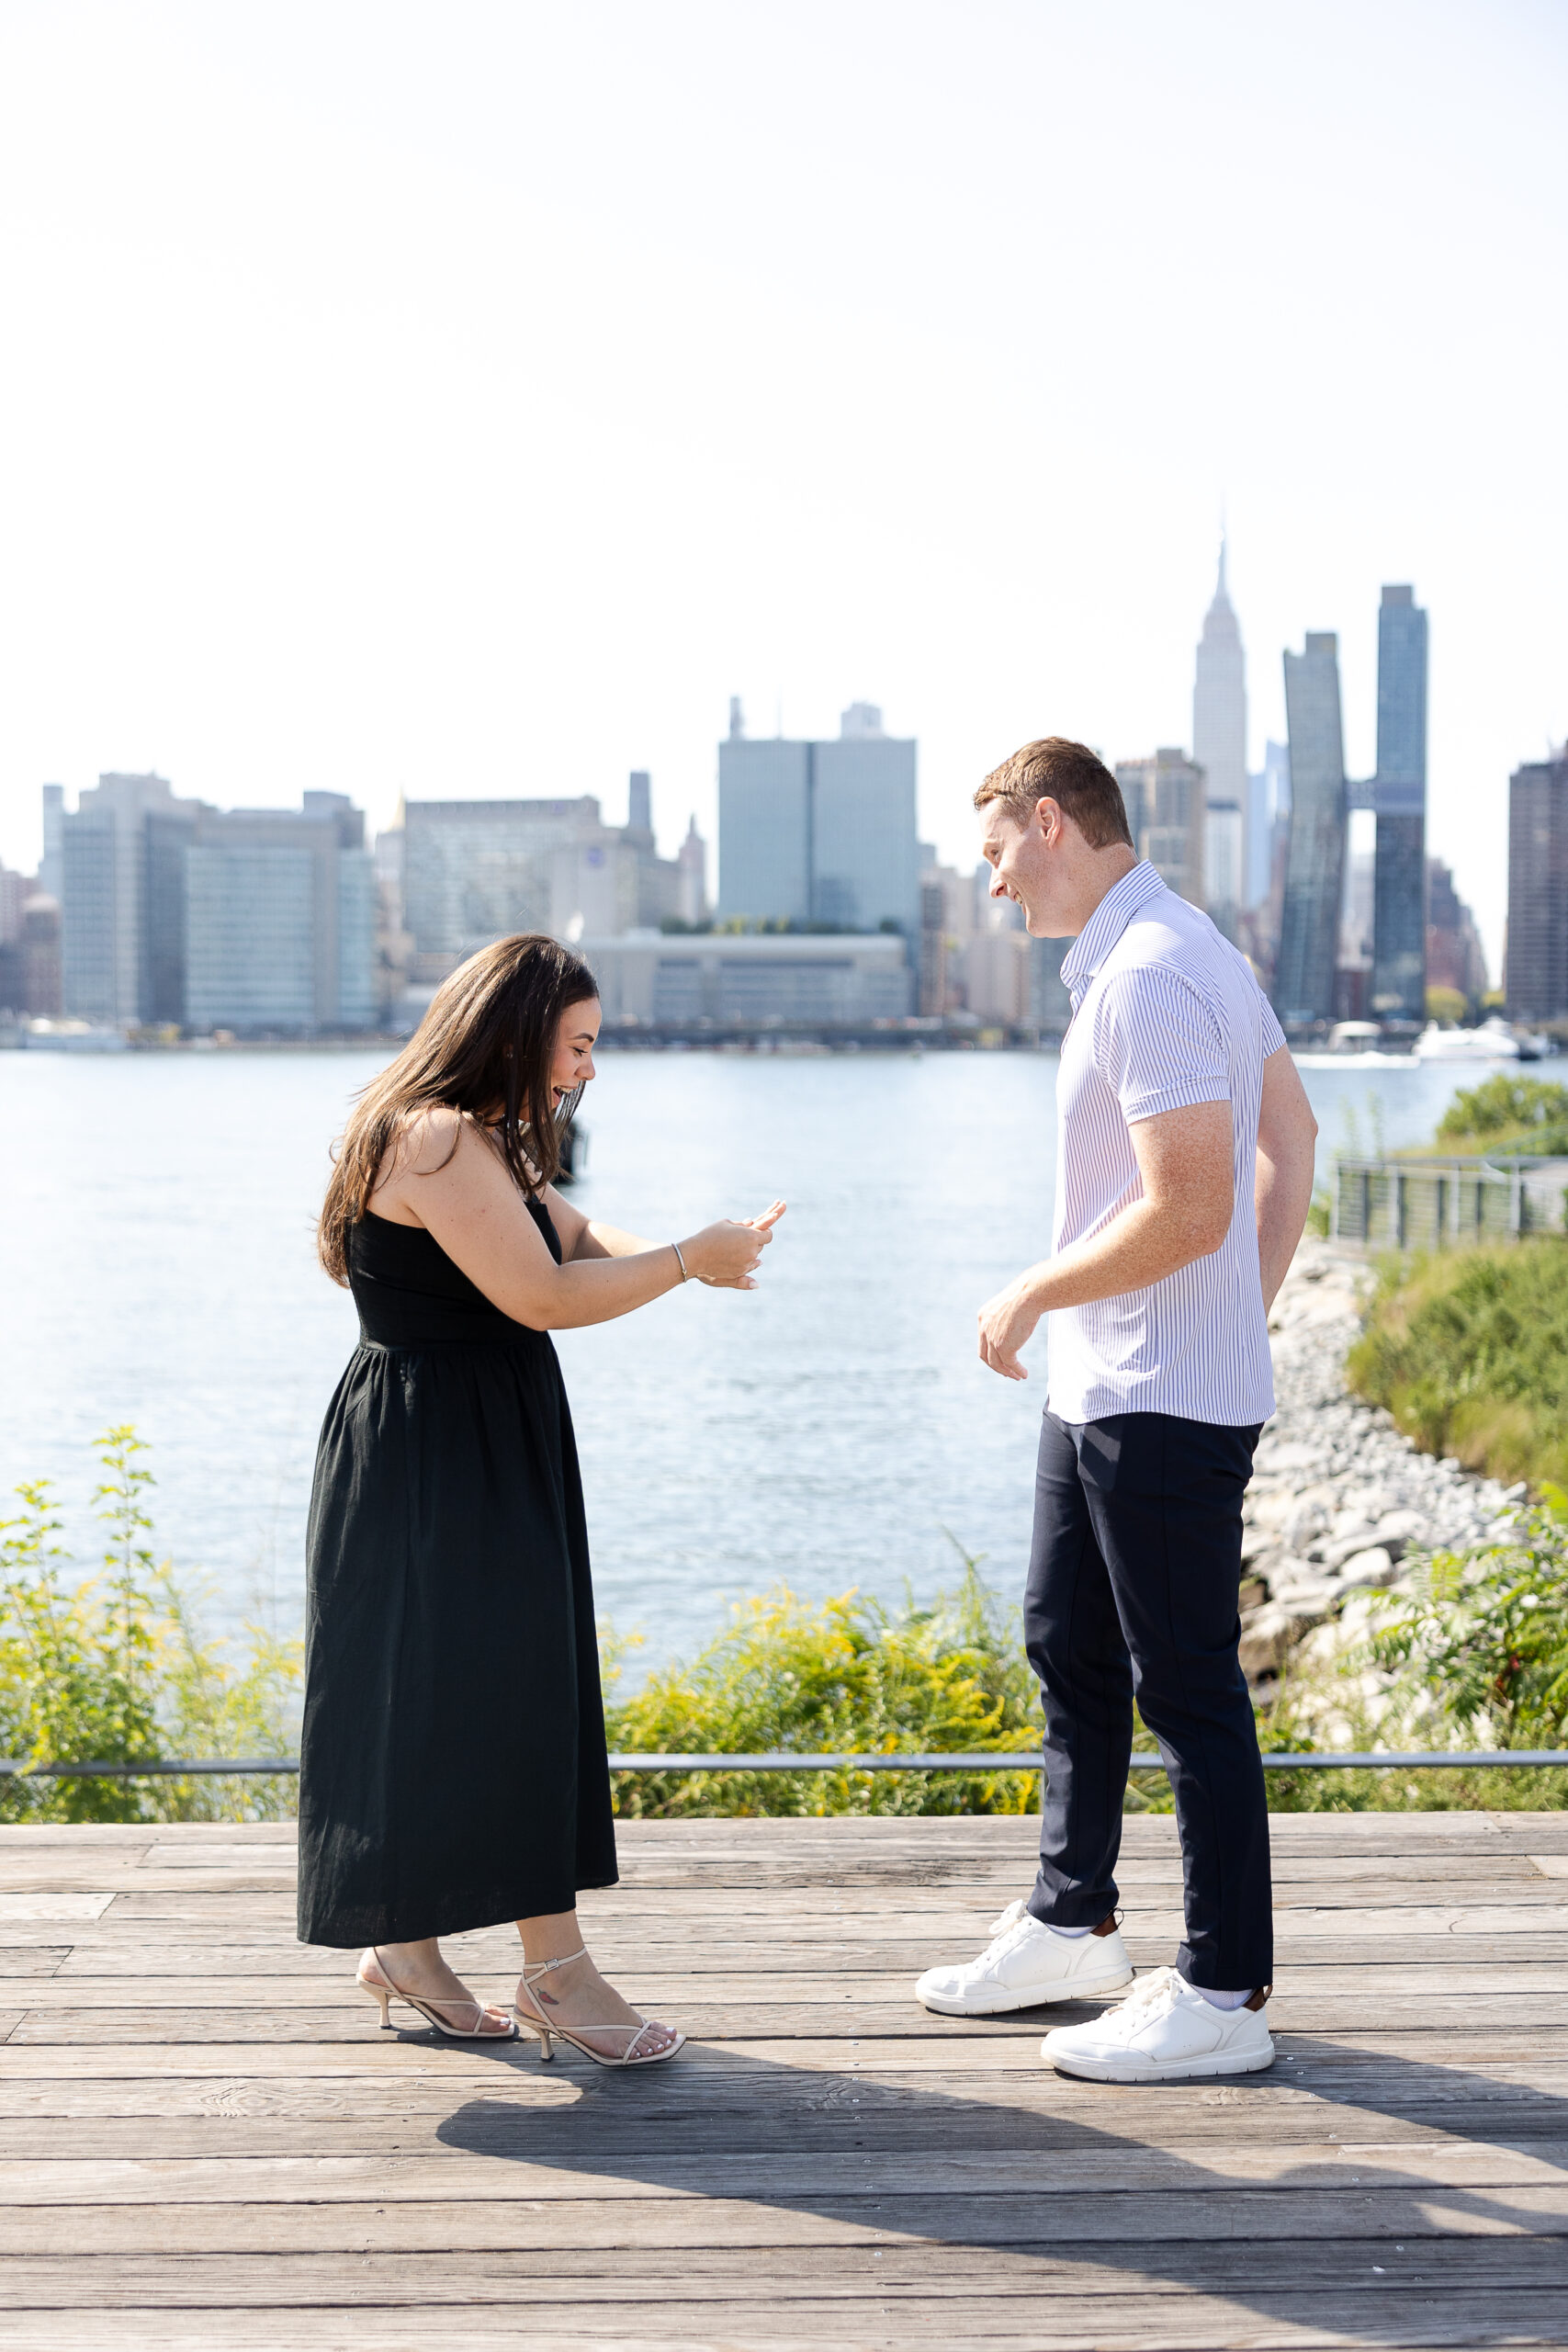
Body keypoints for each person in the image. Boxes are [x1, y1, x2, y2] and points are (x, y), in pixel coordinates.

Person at [299, 933, 784, 2067]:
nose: (589, 1068)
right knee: (505, 1696)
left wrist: (689, 1249)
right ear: (511, 1031)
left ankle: (406, 1949)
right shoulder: (431, 1138)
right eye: (578, 1044)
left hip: (471, 1439)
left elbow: (573, 1236)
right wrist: (683, 1263)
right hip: (435, 1456)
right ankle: (557, 1970)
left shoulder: (484, 1140)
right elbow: (544, 1293)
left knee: (463, 1695)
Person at [914, 739, 1317, 2083]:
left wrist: (1032, 1288)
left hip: (1153, 1399)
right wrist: (1235, 1310)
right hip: (1115, 1382)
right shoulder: (1174, 947)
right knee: (1066, 1649)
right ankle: (1069, 1918)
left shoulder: (1150, 973)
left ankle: (1218, 1991)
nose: (988, 887)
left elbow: (1191, 1201)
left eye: (994, 854)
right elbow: (1292, 1139)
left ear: (1049, 821)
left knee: (1187, 1687)